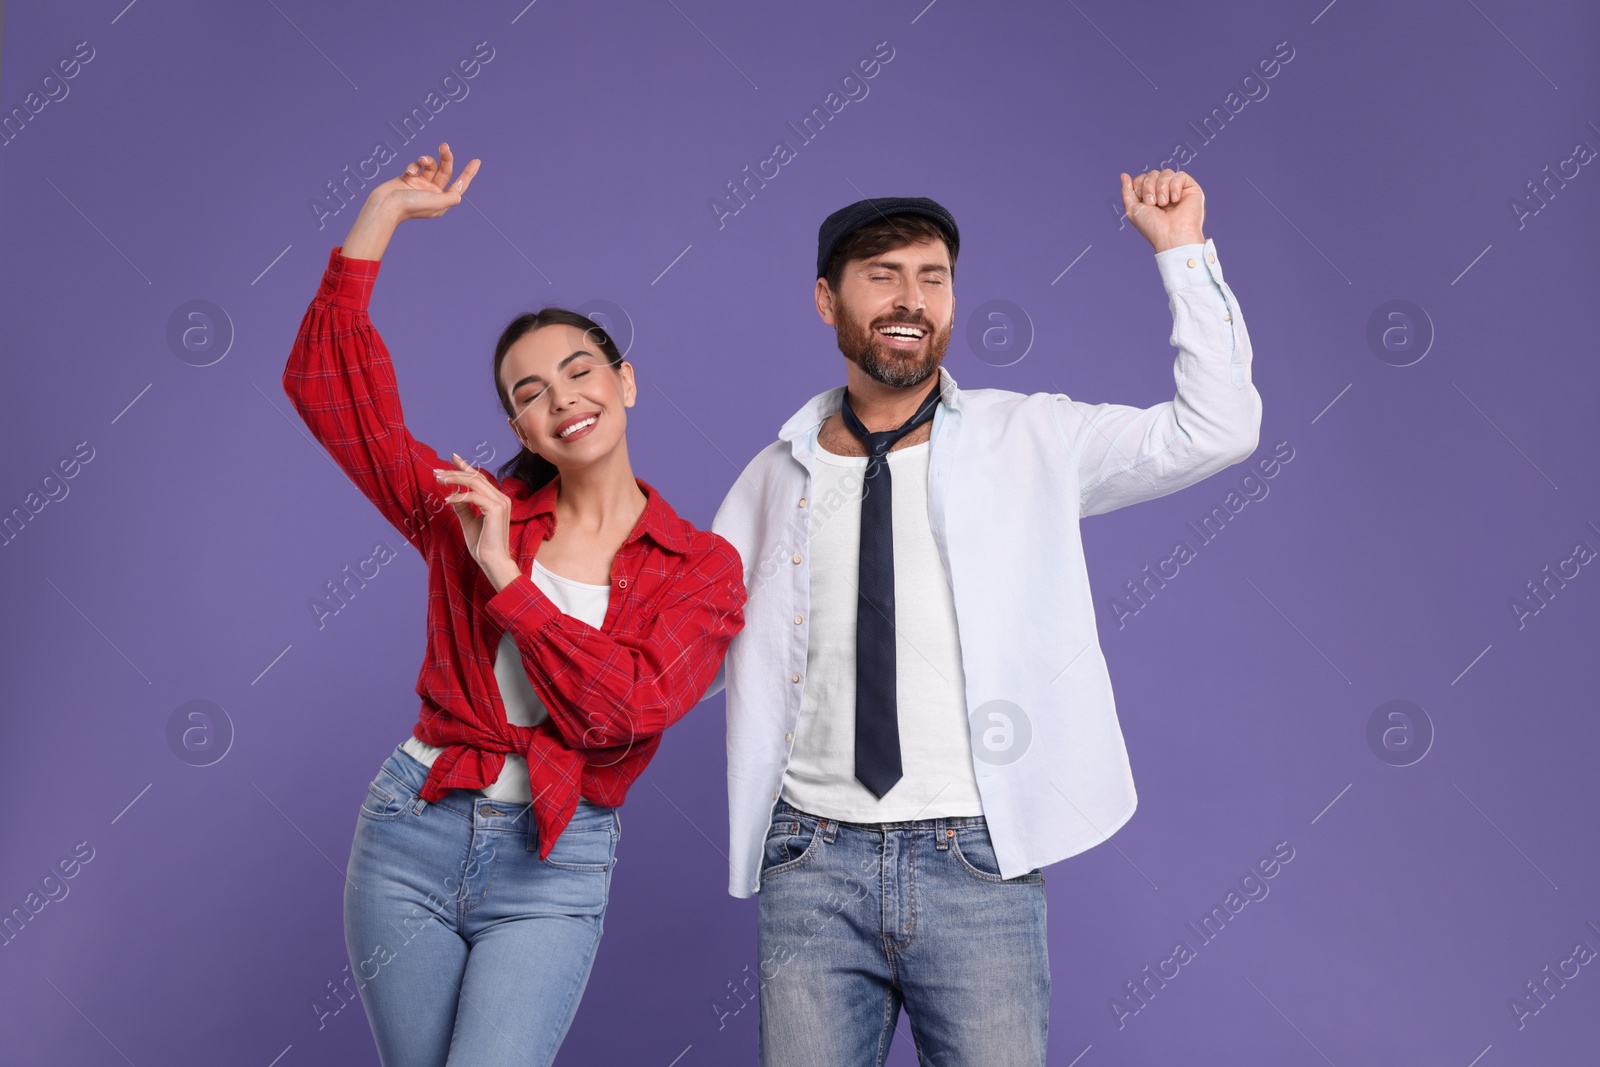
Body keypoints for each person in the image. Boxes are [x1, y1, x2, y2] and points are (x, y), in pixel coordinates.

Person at [705, 173, 1261, 1064]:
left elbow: (1217, 430)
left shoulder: (1031, 439)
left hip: (977, 861)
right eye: (883, 274)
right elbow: (678, 643)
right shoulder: (774, 477)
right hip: (811, 859)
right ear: (827, 299)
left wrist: (1182, 252)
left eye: (934, 276)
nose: (912, 299)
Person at [282, 142, 745, 1067]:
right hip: (408, 833)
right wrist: (380, 217)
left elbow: (621, 711)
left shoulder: (698, 565)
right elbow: (332, 397)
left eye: (580, 371)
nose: (563, 400)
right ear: (518, 427)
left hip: (554, 862)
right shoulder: (470, 506)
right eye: (530, 394)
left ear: (625, 381)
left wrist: (508, 581)